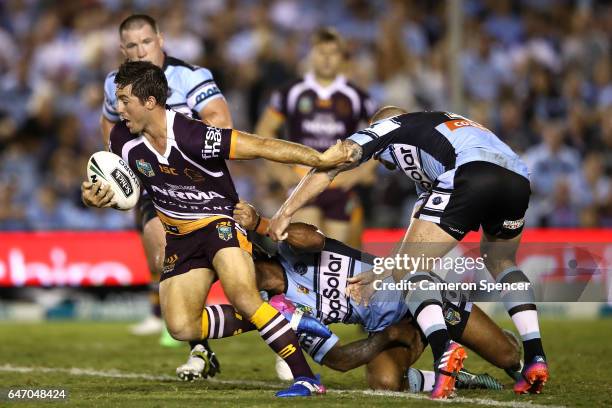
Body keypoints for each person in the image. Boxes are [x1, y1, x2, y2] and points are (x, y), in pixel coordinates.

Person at [82, 61, 351, 397]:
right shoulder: (122, 139)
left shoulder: (194, 136)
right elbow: (120, 187)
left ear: (149, 102)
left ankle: (306, 377)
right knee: (181, 326)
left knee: (244, 297)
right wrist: (95, 197)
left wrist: (322, 160)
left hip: (220, 225)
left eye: (124, 100)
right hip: (179, 238)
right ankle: (287, 318)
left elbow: (263, 146)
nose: (118, 109)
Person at [268, 106, 549, 398]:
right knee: (500, 259)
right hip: (517, 177)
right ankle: (535, 356)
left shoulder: (390, 128)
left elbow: (334, 163)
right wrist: (380, 271)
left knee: (410, 270)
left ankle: (444, 352)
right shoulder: (435, 136)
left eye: (382, 158)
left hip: (470, 172)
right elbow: (416, 240)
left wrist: (285, 211)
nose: (386, 164)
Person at [193, 200, 521, 393]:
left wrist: (262, 224)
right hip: (392, 328)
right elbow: (338, 359)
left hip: (418, 291)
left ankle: (501, 340)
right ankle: (455, 376)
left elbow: (316, 239)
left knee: (508, 357)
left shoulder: (290, 247)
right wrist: (387, 337)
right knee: (383, 382)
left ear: (252, 254)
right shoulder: (282, 311)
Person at [100, 15, 232, 354]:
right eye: (132, 45)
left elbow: (220, 119)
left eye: (146, 41)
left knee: (241, 279)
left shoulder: (190, 76)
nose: (141, 50)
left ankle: (282, 323)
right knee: (162, 258)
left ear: (160, 39)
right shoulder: (115, 82)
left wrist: (176, 138)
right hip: (154, 187)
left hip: (199, 186)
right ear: (122, 49)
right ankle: (198, 350)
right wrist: (115, 164)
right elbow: (109, 121)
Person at [255, 27, 377, 247]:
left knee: (338, 256)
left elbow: (381, 135)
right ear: (311, 54)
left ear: (341, 57)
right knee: (308, 251)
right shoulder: (291, 92)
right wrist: (278, 170)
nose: (327, 59)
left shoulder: (356, 96)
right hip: (303, 182)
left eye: (333, 53)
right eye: (322, 52)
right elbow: (264, 131)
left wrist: (360, 174)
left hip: (339, 183)